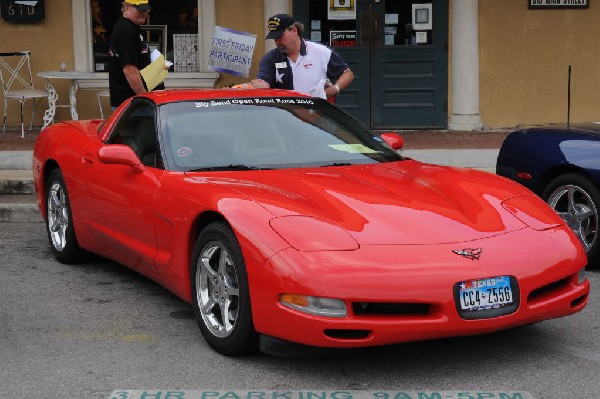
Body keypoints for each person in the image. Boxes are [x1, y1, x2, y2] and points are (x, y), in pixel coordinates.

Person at [237, 14, 354, 100]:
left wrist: (336, 88)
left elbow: (347, 73)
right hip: (287, 119)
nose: (277, 42)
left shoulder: (321, 52)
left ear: (294, 30)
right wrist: (251, 86)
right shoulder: (271, 58)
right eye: (274, 38)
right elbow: (263, 82)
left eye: (280, 36)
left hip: (319, 120)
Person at [108, 0, 162, 109]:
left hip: (132, 102)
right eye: (140, 9)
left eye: (146, 9)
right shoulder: (127, 32)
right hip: (132, 104)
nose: (144, 13)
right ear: (126, 8)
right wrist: (145, 99)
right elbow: (130, 70)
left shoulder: (132, 27)